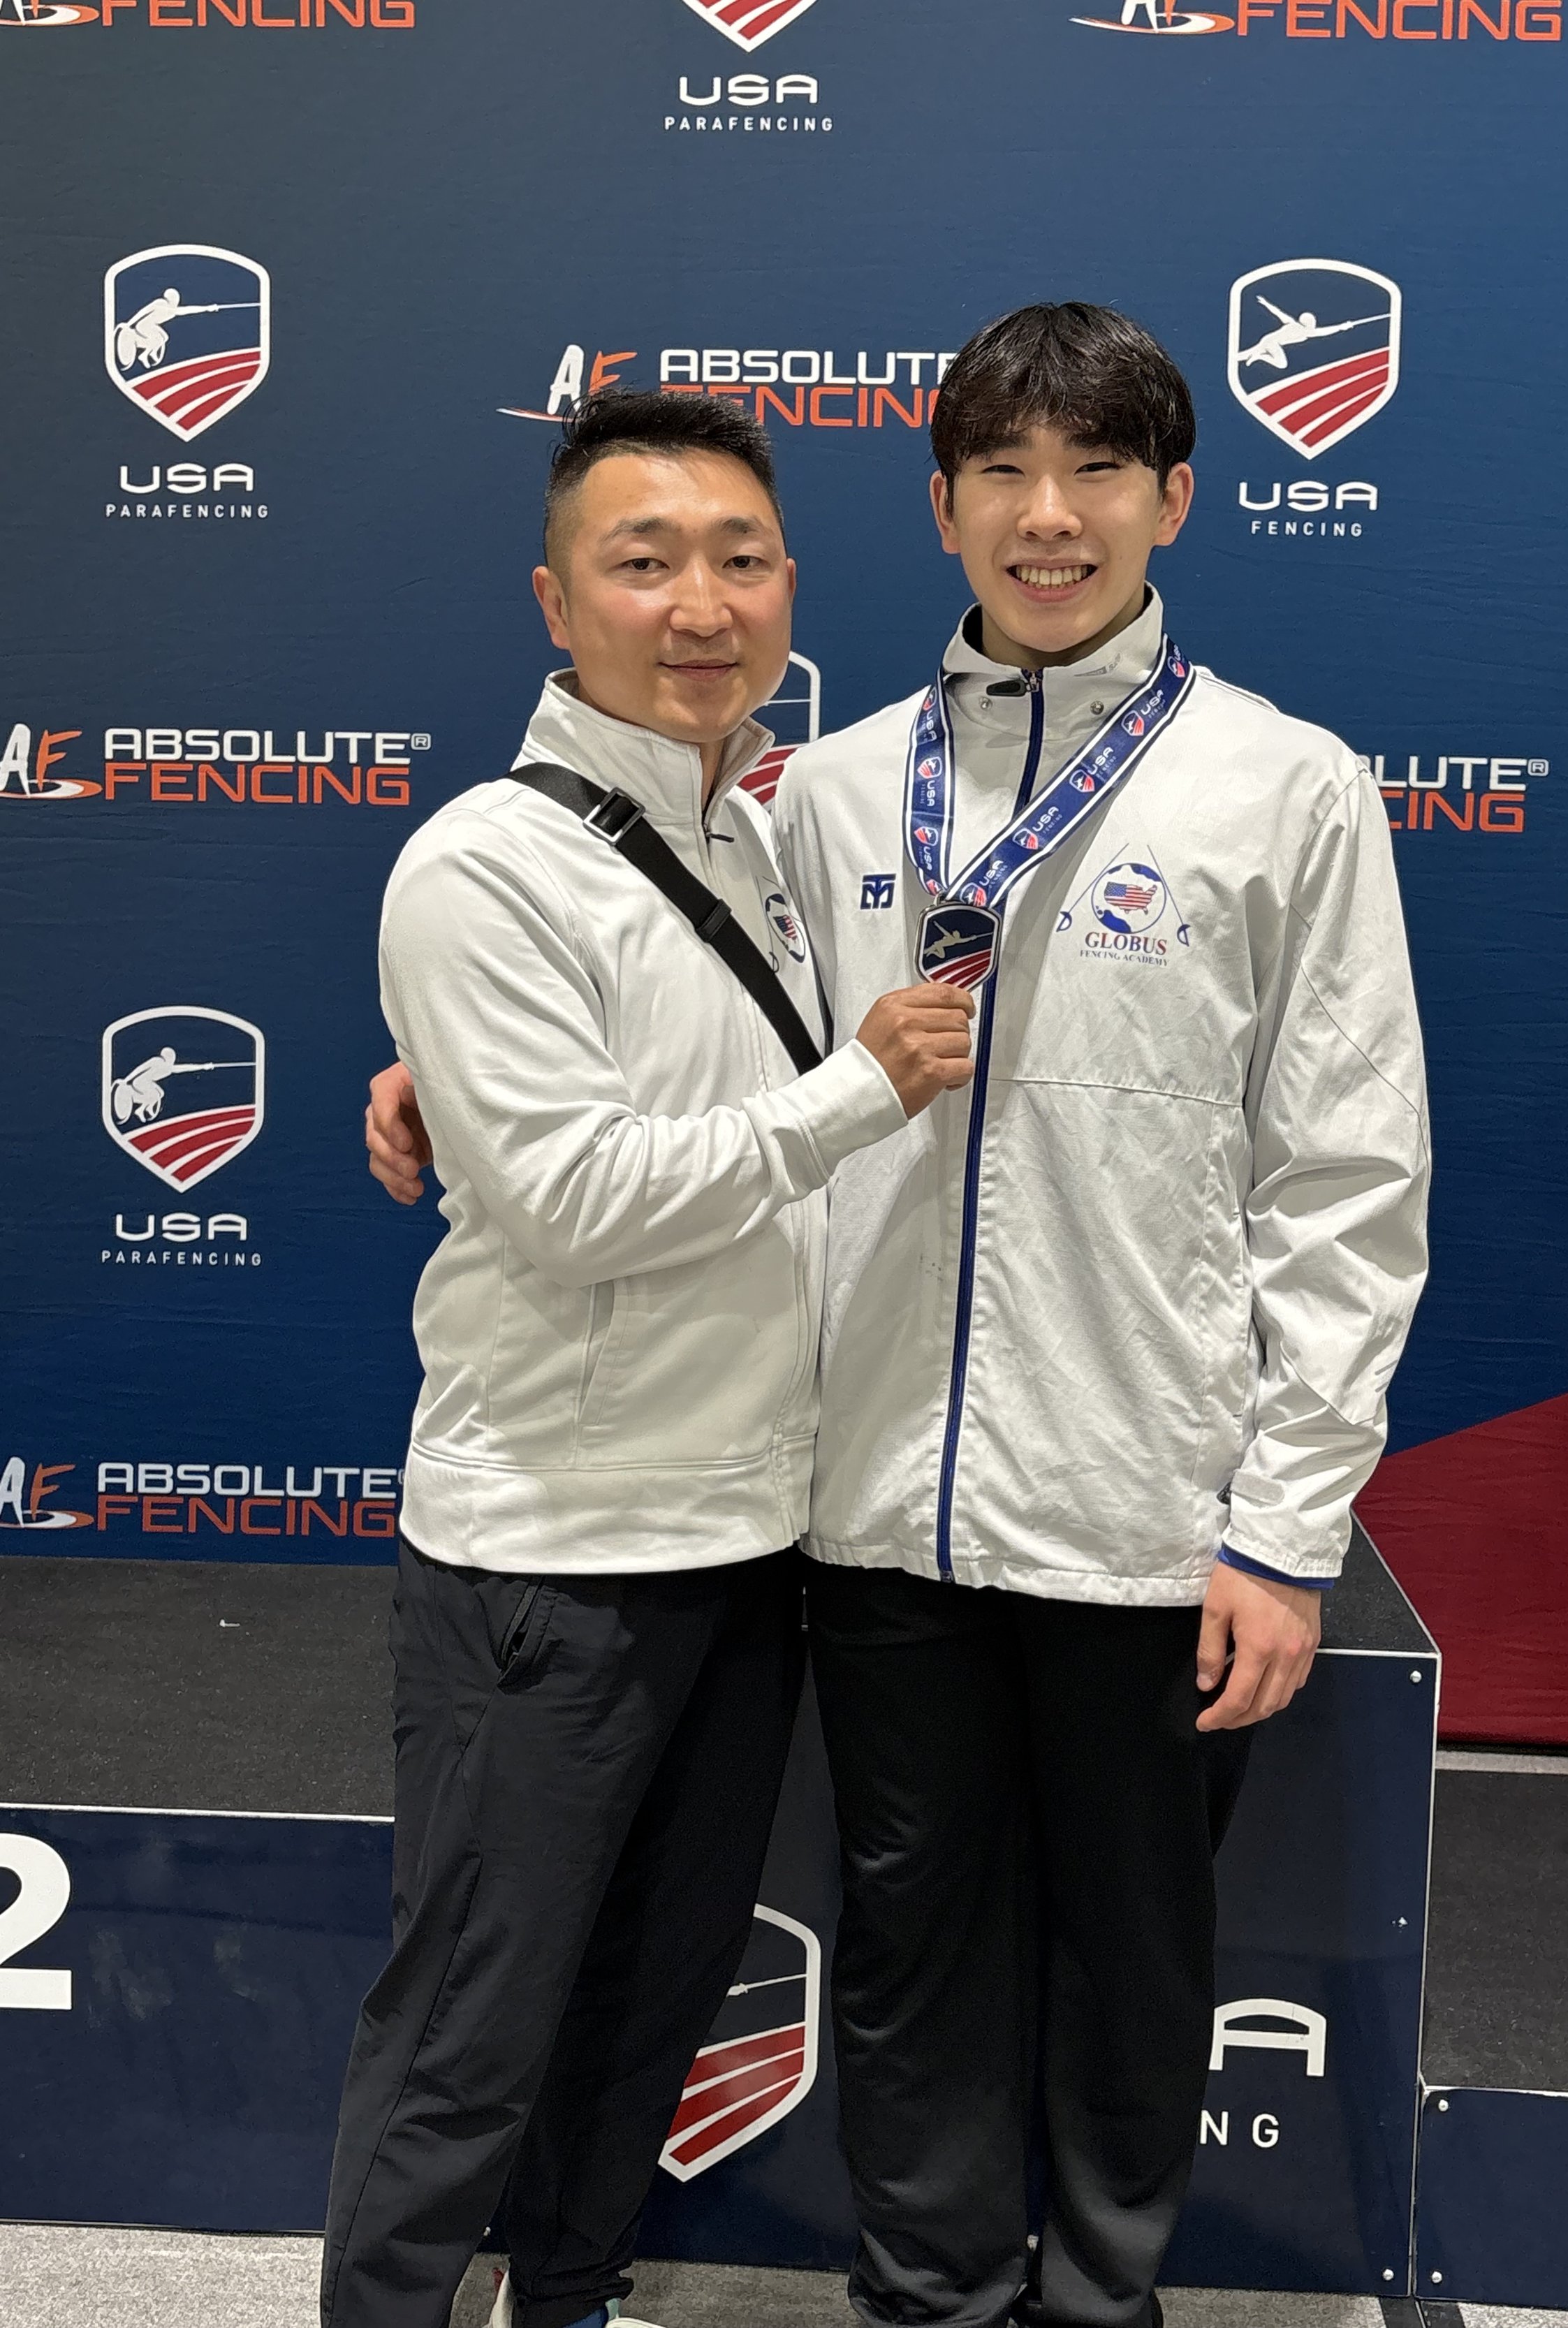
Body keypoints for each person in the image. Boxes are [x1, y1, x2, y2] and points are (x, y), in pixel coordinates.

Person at [369, 305, 1430, 2328]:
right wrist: (425, 1058)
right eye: (1004, 476)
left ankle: (1098, 2303)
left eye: (1098, 471)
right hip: (866, 1507)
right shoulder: (825, 791)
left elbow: (1350, 1181)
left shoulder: (1283, 789)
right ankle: (930, 2299)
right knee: (913, 1949)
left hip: (1144, 1508)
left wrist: (1284, 1521)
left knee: (1133, 1962)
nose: (1051, 519)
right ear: (937, 506)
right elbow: (642, 981)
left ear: (1173, 500)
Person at [324, 390, 973, 2328]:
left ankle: (579, 2294)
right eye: (642, 560)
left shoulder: (775, 831)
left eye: (739, 558)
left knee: (652, 2000)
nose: (698, 602)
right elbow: (588, 1203)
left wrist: (452, 1096)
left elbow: (663, 1090)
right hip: (550, 1559)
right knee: (470, 2029)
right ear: (555, 601)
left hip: (746, 1541)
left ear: (787, 585)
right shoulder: (478, 867)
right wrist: (857, 1089)